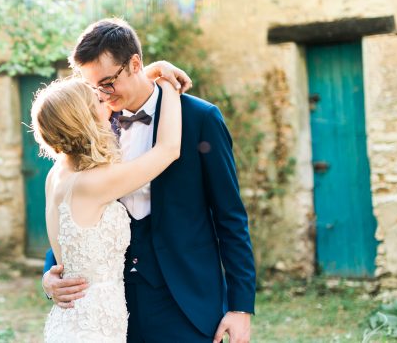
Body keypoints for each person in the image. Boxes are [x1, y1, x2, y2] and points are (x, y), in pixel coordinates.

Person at [42, 18, 256, 343]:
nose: (102, 96)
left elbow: (230, 216)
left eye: (107, 83)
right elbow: (70, 209)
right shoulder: (92, 123)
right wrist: (52, 273)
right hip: (112, 306)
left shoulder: (200, 119)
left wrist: (240, 306)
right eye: (92, 88)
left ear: (134, 64)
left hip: (185, 300)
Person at [32, 74, 182, 342]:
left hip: (76, 321)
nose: (109, 103)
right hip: (92, 329)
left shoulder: (56, 173)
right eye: (99, 100)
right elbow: (168, 149)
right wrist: (167, 82)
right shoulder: (93, 182)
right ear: (85, 118)